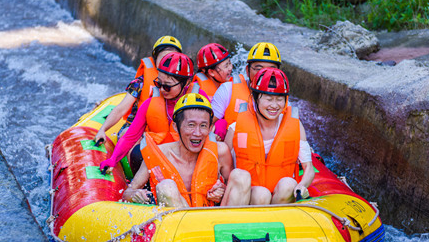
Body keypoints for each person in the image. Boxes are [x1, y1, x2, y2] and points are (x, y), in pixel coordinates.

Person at [123, 93, 250, 207]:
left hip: (213, 219)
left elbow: (230, 189)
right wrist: (135, 194)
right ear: (175, 127)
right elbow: (127, 193)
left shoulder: (220, 151)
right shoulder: (158, 154)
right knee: (166, 186)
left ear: (210, 128)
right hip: (179, 223)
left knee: (241, 176)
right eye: (191, 125)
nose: (197, 133)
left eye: (203, 126)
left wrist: (221, 190)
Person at [99, 52, 207, 174]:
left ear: (186, 83)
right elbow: (131, 136)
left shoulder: (199, 99)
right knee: (137, 154)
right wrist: (113, 159)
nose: (162, 89)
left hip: (190, 156)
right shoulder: (150, 103)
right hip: (160, 156)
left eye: (167, 86)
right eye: (158, 84)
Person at [224, 67, 315, 205]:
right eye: (269, 99)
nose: (274, 105)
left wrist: (302, 185)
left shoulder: (296, 126)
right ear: (255, 98)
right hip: (249, 194)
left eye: (279, 99)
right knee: (262, 194)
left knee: (289, 184)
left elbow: (308, 168)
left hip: (279, 195)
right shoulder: (236, 128)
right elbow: (225, 168)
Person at [94, 35, 182, 146]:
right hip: (137, 130)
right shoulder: (140, 82)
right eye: (164, 58)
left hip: (162, 134)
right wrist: (102, 129)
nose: (168, 62)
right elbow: (121, 109)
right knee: (128, 134)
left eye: (172, 58)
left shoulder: (181, 84)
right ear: (155, 59)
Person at [211, 42, 282, 139]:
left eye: (271, 70)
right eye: (258, 69)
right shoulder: (227, 90)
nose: (265, 75)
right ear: (247, 70)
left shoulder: (282, 101)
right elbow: (206, 124)